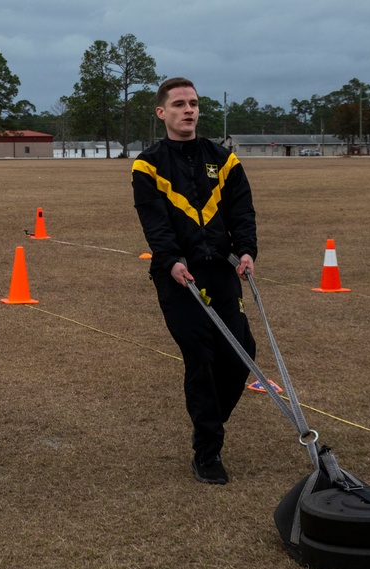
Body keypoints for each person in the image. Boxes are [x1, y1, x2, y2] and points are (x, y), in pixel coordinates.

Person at [131, 77, 257, 485]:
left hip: (221, 269)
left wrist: (247, 249)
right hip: (178, 274)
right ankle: (207, 452)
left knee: (241, 354)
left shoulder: (225, 159)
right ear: (161, 112)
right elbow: (154, 219)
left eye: (194, 103)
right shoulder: (147, 165)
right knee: (200, 357)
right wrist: (170, 261)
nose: (189, 110)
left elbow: (241, 210)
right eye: (180, 104)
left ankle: (209, 423)